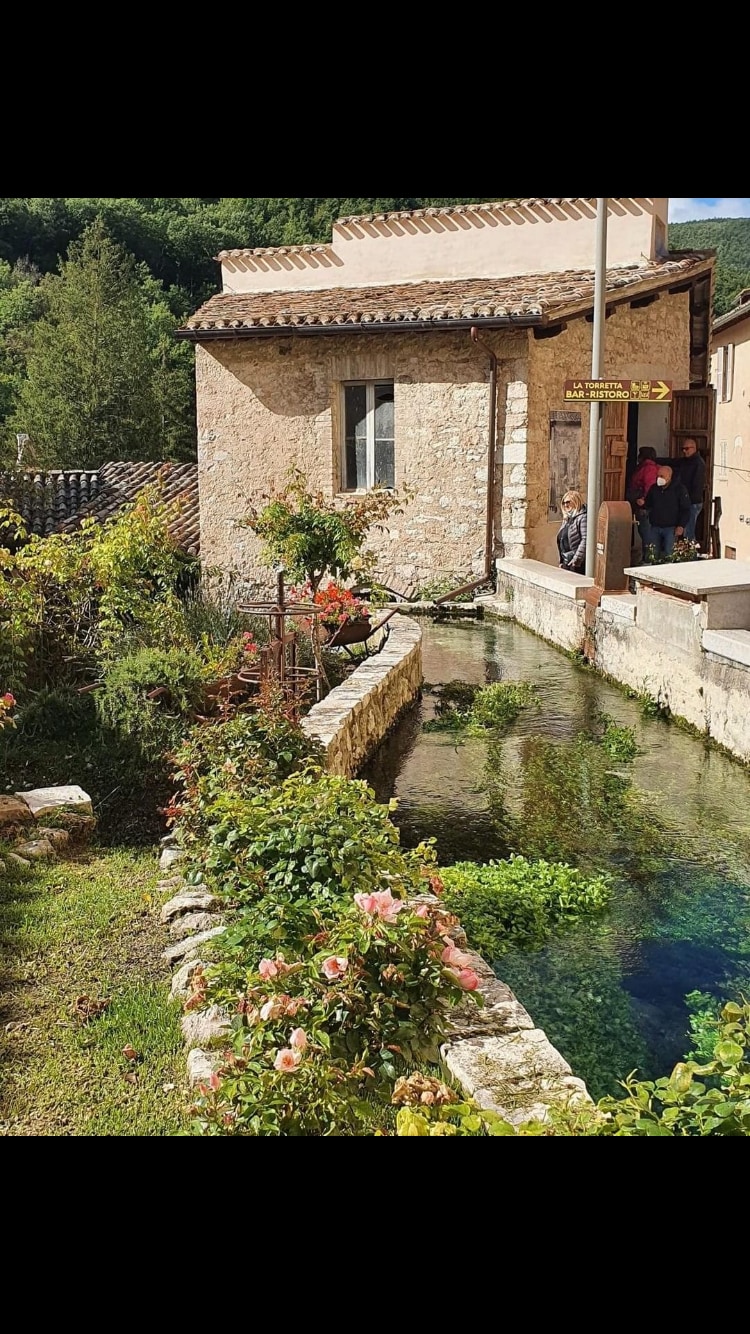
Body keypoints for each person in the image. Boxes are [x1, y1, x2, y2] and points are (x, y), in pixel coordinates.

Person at [642, 465, 691, 561]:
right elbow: (648, 504)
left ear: (669, 477)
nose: (659, 478)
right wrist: (642, 503)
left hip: (671, 528)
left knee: (670, 554)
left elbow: (685, 509)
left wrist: (681, 525)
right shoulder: (654, 489)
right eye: (658, 476)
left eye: (662, 476)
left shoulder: (679, 490)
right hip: (655, 526)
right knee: (652, 553)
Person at [627, 446, 659, 556]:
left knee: (646, 532)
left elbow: (650, 486)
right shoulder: (643, 467)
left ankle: (649, 557)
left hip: (644, 505)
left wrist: (644, 499)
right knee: (644, 531)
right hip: (640, 504)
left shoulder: (648, 468)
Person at [676, 437, 706, 543]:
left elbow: (697, 485)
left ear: (694, 448)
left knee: (688, 532)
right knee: (685, 531)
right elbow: (672, 461)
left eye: (687, 448)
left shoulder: (698, 463)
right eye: (683, 449)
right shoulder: (686, 461)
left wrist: (688, 501)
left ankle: (690, 556)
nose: (684, 451)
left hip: (692, 502)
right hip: (687, 501)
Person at [557, 490, 588, 574]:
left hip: (577, 564)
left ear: (576, 501)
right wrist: (561, 561)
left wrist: (576, 559)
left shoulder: (582, 517)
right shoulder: (567, 518)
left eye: (568, 502)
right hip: (567, 562)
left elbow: (585, 539)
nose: (565, 505)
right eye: (564, 503)